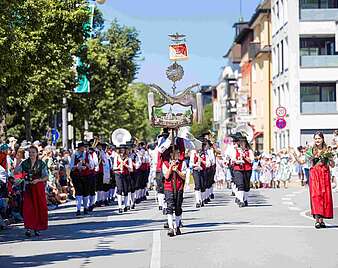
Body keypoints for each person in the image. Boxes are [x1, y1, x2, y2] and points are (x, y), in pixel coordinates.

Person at [292, 131, 334, 229]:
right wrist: (295, 155)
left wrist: (329, 158)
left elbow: (332, 165)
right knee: (316, 196)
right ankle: (317, 220)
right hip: (315, 175)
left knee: (325, 196)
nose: (317, 140)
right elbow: (302, 162)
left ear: (322, 139)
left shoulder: (327, 150)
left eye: (319, 138)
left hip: (325, 174)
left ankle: (322, 220)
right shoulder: (311, 150)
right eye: (316, 138)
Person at [16, 145, 49, 237]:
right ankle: (28, 228)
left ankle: (37, 228)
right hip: (28, 187)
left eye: (33, 152)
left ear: (37, 153)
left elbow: (46, 176)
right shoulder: (24, 163)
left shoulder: (41, 163)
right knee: (28, 208)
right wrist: (18, 162)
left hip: (38, 187)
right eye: (30, 152)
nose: (31, 154)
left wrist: (38, 180)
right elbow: (16, 173)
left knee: (38, 207)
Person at [163, 147, 187, 237]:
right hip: (169, 187)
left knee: (178, 207)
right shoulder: (165, 163)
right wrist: (170, 167)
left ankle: (177, 226)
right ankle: (170, 227)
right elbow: (166, 176)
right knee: (169, 206)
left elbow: (184, 177)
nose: (177, 155)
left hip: (179, 187)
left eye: (178, 153)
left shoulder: (182, 163)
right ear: (171, 154)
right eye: (175, 153)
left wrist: (176, 170)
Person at [230, 133, 254, 207]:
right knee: (240, 184)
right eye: (241, 142)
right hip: (238, 169)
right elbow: (233, 159)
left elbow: (251, 160)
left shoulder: (249, 151)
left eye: (243, 142)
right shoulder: (235, 150)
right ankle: (241, 200)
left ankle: (245, 199)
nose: (242, 144)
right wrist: (237, 160)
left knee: (246, 186)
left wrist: (245, 156)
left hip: (247, 169)